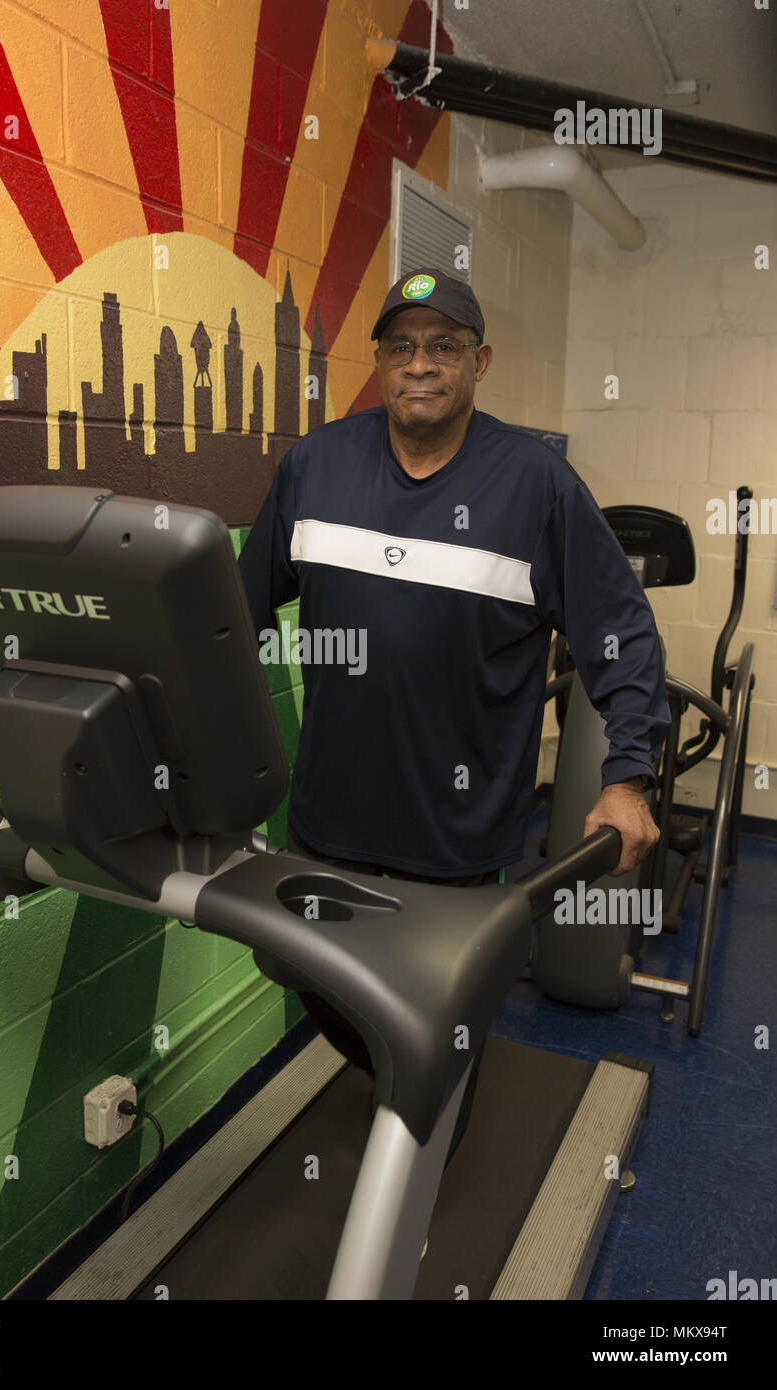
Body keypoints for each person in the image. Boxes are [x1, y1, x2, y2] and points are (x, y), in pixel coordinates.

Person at [237, 266, 668, 1165]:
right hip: (330, 817)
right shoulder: (318, 465)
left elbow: (619, 634)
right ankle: (398, 1080)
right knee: (314, 980)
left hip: (458, 834)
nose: (420, 365)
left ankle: (424, 1173)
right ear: (381, 363)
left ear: (480, 361)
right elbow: (231, 612)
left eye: (443, 346)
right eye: (401, 347)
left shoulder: (537, 486)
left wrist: (627, 777)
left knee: (439, 1037)